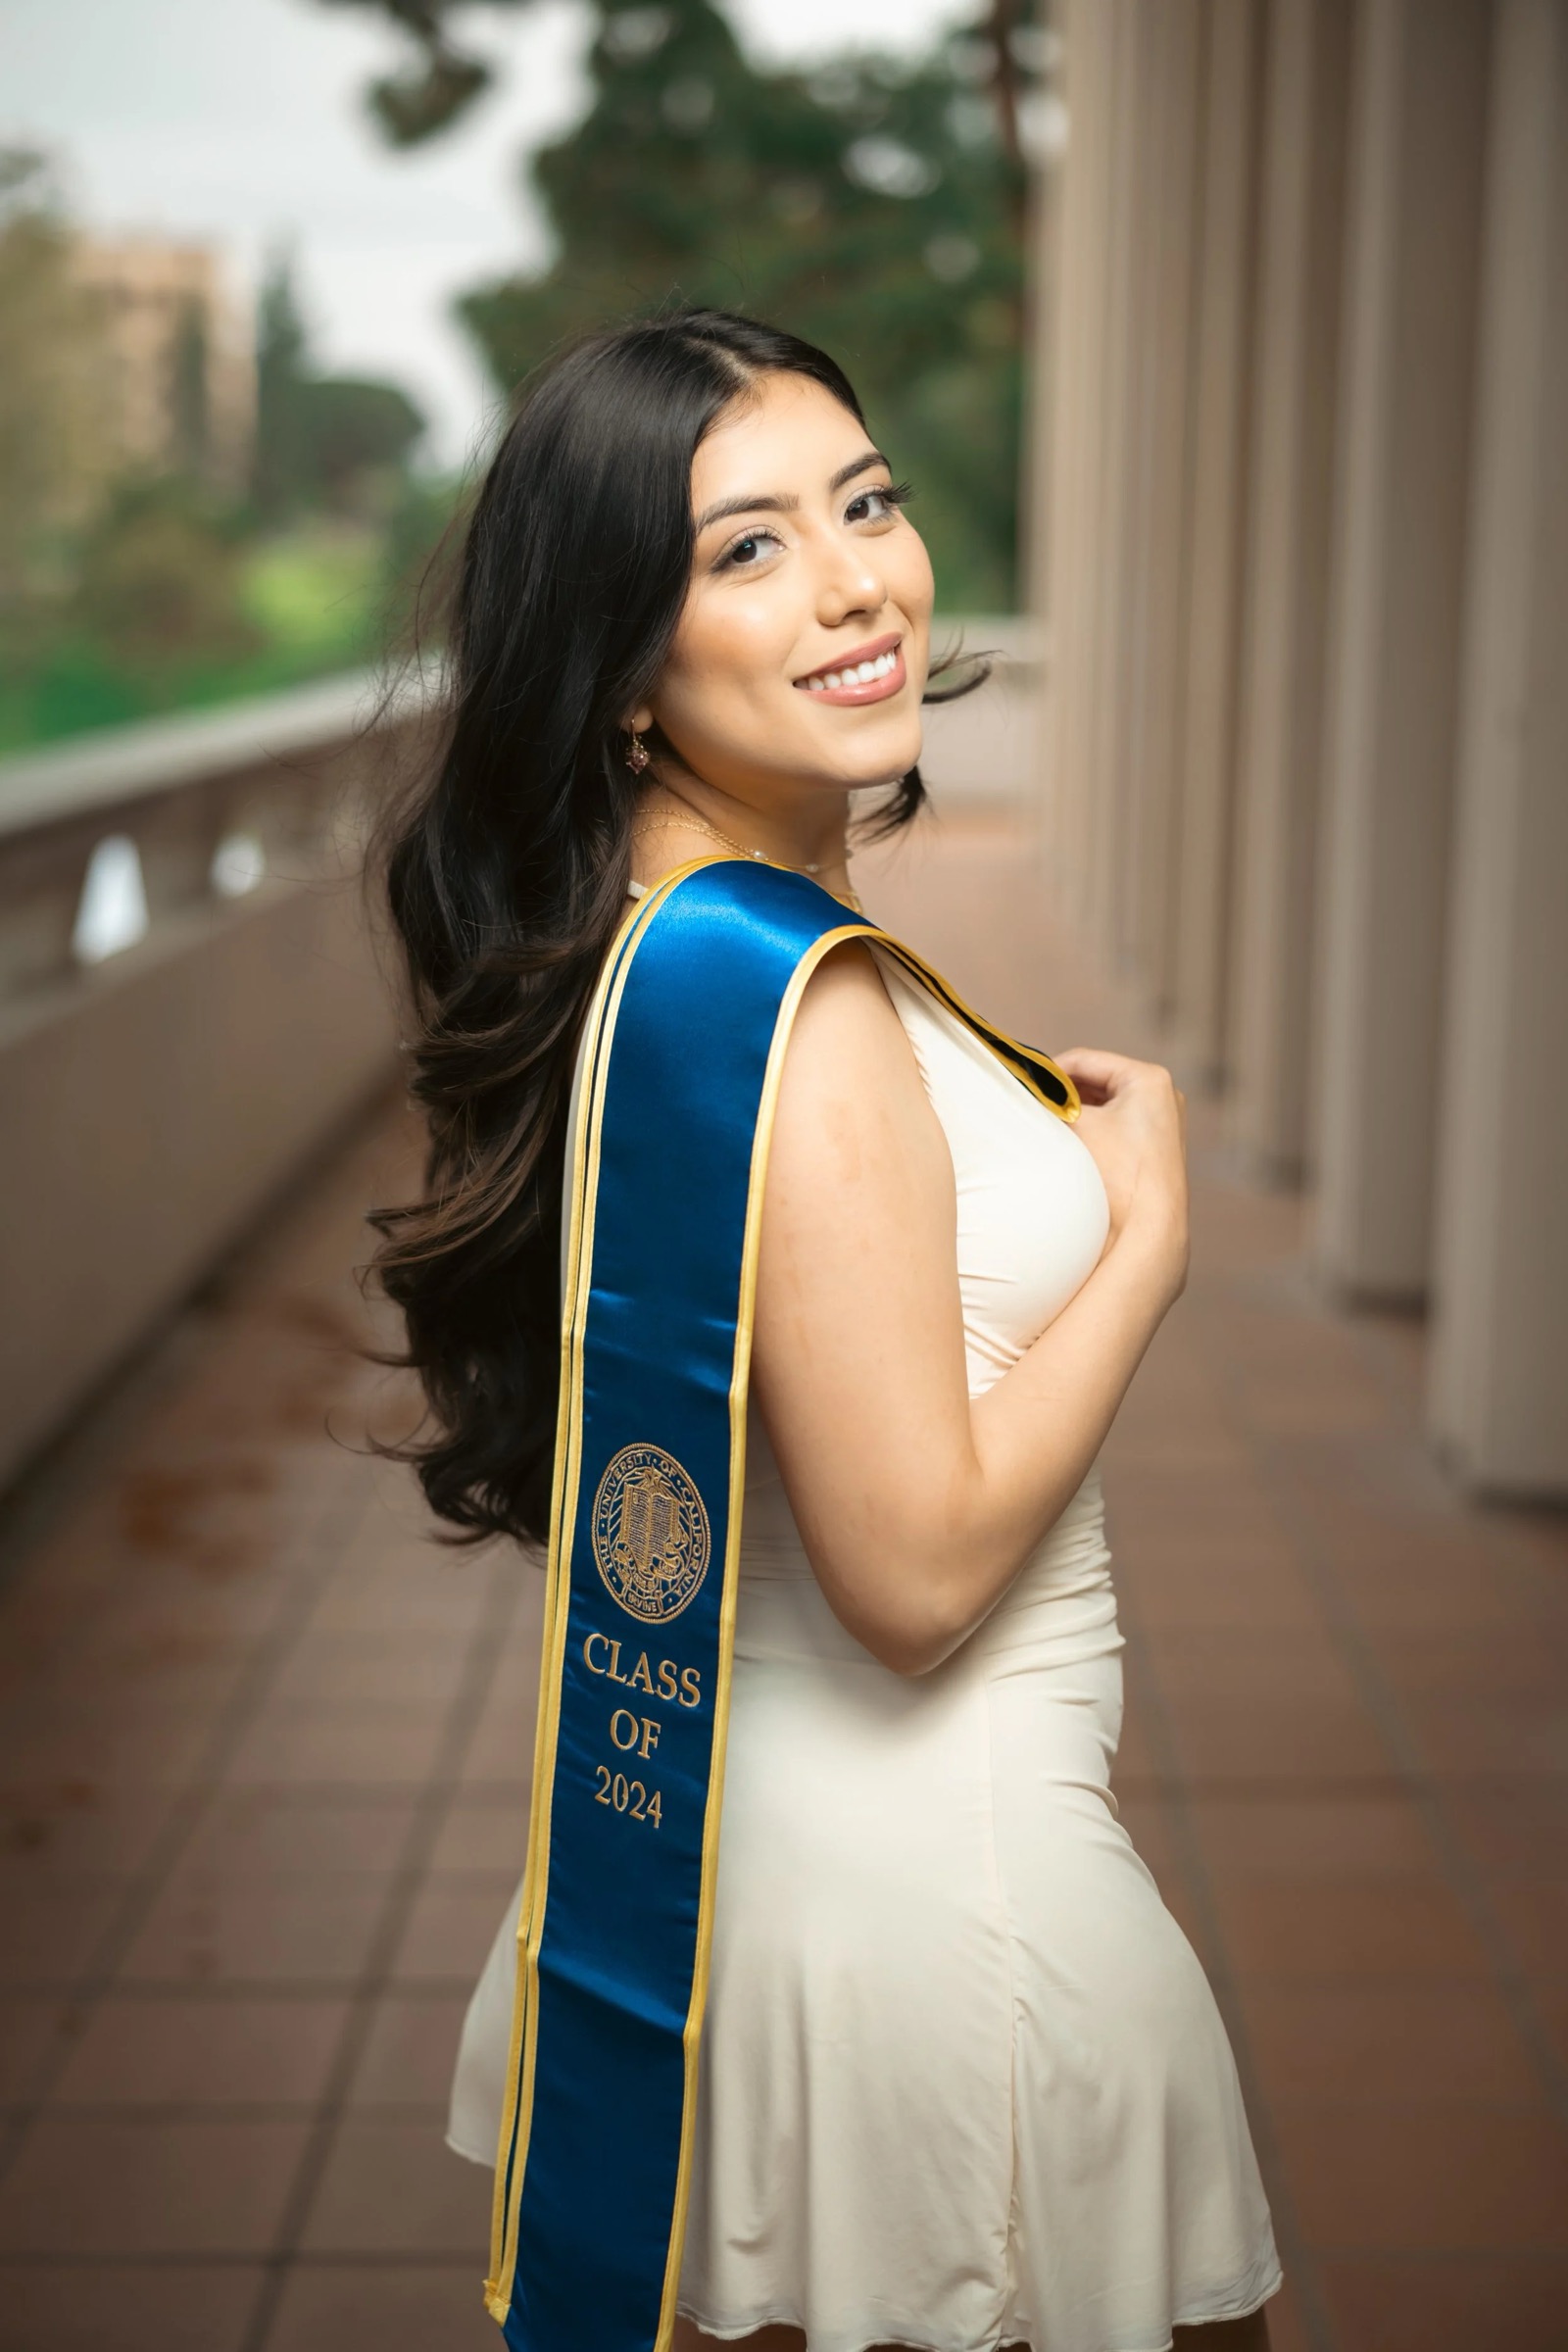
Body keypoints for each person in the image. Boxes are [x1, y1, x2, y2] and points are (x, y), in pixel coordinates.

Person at [372, 309, 1280, 2352]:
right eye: (745, 549)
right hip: (944, 1923)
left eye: (860, 503)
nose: (856, 577)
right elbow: (909, 1568)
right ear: (620, 668)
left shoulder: (664, 947)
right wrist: (1140, 1240)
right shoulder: (805, 1013)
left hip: (736, 1885)